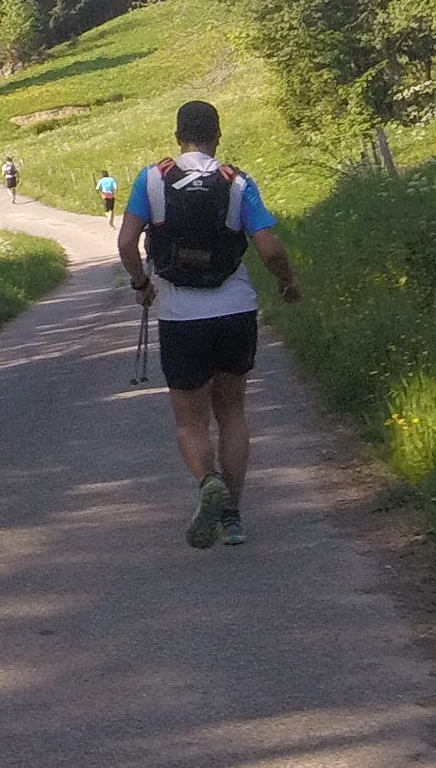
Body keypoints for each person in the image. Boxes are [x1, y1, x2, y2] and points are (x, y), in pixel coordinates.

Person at [116, 100, 301, 550]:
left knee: (190, 420)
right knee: (232, 414)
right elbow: (270, 249)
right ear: (218, 134)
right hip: (235, 311)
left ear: (177, 136)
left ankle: (207, 481)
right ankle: (232, 516)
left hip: (180, 315)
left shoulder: (152, 179)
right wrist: (287, 282)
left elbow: (126, 242)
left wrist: (142, 283)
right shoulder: (237, 182)